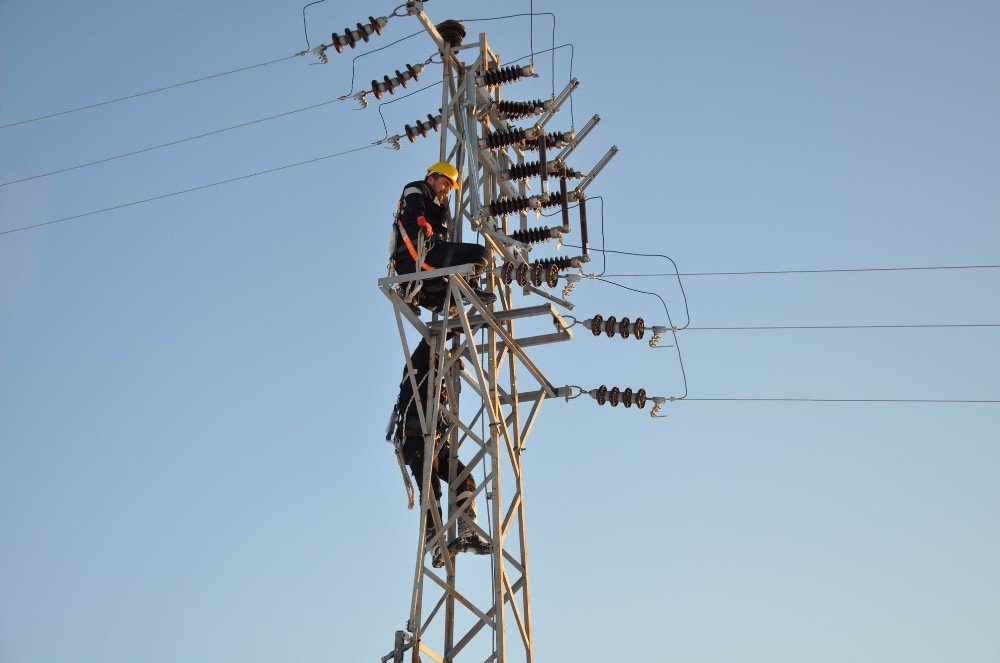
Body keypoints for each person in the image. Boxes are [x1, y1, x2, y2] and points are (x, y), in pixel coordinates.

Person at [390, 337, 491, 567]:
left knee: (464, 478)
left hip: (436, 441)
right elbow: (432, 337)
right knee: (431, 487)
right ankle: (435, 544)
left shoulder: (441, 376)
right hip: (416, 439)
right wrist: (461, 316)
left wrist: (455, 367)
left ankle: (468, 532)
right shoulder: (420, 361)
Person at [392, 162, 496, 312]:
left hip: (415, 265)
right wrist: (421, 219)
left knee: (451, 307)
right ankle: (470, 288)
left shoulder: (436, 206)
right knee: (479, 253)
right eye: (445, 184)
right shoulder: (418, 188)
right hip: (419, 255)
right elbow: (414, 199)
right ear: (431, 179)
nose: (447, 190)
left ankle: (413, 297)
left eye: (449, 187)